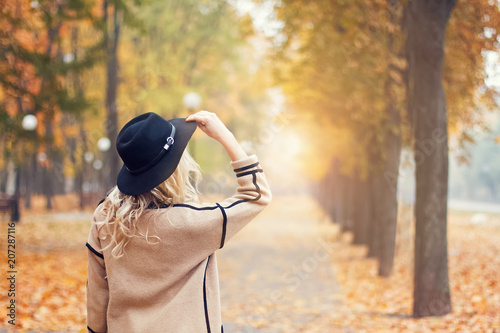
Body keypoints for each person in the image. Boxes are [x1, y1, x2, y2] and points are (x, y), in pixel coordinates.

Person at [86, 111, 272, 333]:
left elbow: (97, 295)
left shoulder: (105, 218)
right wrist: (225, 136)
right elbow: (257, 195)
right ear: (177, 167)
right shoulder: (192, 222)